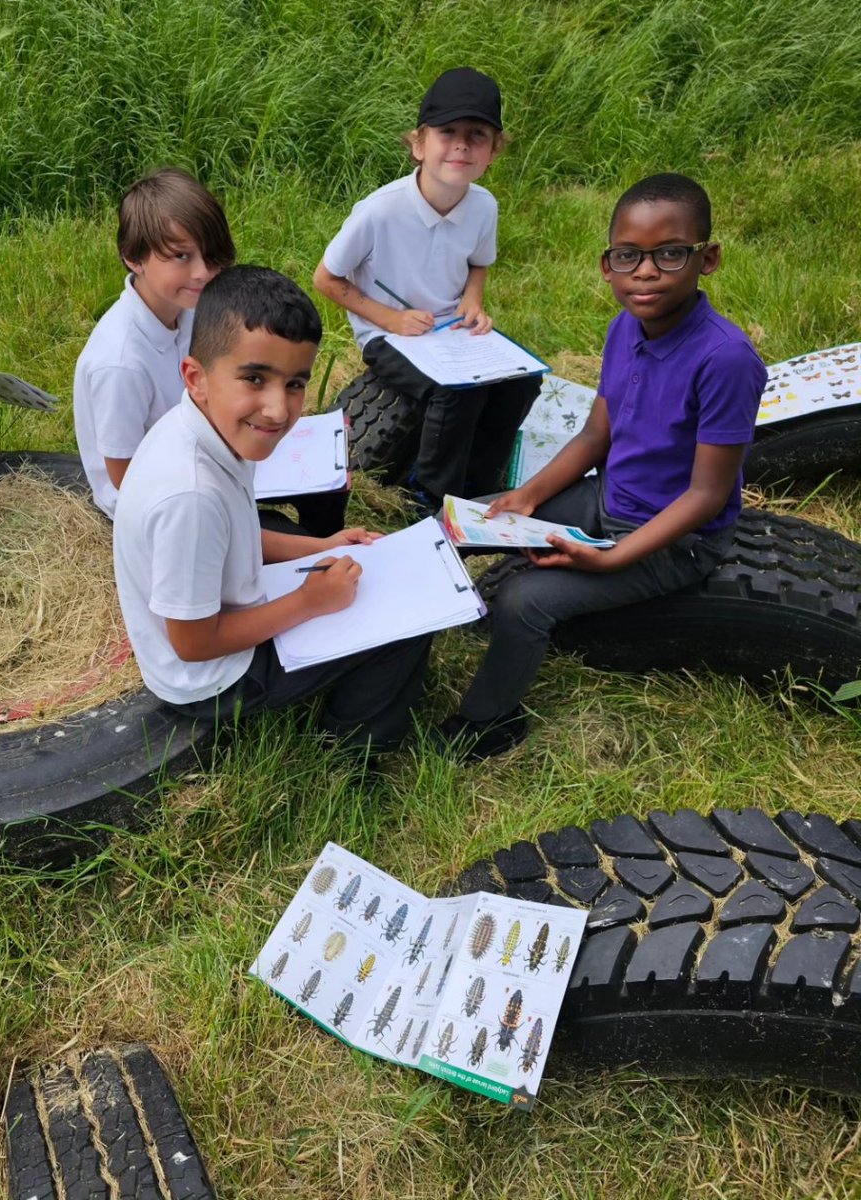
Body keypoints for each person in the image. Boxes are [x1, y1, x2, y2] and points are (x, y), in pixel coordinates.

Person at [442, 172, 767, 759]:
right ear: (606, 265)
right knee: (464, 525)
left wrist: (611, 558)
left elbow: (707, 496)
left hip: (678, 540)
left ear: (707, 258)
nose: (645, 272)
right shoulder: (626, 326)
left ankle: (488, 723)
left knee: (525, 603)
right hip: (609, 496)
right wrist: (526, 496)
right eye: (628, 256)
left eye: (670, 253)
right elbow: (597, 434)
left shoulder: (726, 360)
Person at [113, 265, 433, 753]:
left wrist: (320, 545)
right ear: (196, 377)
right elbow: (193, 643)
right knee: (406, 629)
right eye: (255, 378)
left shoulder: (204, 426)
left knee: (293, 537)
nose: (278, 410)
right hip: (212, 681)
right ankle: (350, 755)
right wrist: (308, 602)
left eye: (295, 384)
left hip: (219, 623)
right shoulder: (192, 498)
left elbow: (238, 533)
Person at [314, 66, 540, 512]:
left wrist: (473, 300)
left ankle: (477, 486)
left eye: (477, 134)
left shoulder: (483, 206)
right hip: (390, 337)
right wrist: (390, 319)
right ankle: (431, 496)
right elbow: (326, 278)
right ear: (418, 144)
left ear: (494, 150)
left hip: (451, 331)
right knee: (456, 391)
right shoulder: (378, 213)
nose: (461, 144)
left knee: (519, 382)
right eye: (447, 131)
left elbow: (479, 264)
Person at [75, 168, 348, 534]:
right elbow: (125, 477)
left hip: (212, 447)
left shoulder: (187, 308)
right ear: (133, 257)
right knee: (291, 536)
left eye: (211, 255)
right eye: (181, 256)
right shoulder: (120, 362)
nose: (203, 272)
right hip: (169, 499)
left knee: (328, 488)